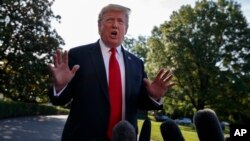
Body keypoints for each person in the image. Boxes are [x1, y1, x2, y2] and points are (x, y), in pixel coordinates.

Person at [48, 4, 174, 141]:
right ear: (99, 26)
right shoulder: (78, 55)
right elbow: (59, 100)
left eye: (120, 21)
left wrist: (153, 97)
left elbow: (140, 103)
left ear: (126, 29)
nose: (115, 25)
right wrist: (60, 87)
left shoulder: (137, 63)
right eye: (109, 20)